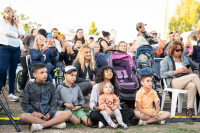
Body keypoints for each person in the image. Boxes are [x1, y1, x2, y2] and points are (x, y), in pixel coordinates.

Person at [20, 63, 72, 132]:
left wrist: (50, 113)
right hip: (35, 116)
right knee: (23, 116)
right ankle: (53, 124)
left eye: (46, 72)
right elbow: (24, 104)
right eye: (41, 73)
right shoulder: (29, 86)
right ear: (34, 75)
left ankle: (41, 126)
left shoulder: (51, 86)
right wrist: (34, 113)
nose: (45, 74)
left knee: (68, 113)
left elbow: (54, 104)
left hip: (49, 115)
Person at [161, 41, 200, 118]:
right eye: (177, 50)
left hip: (185, 79)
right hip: (174, 80)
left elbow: (195, 67)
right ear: (172, 50)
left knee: (193, 85)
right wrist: (176, 71)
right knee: (194, 77)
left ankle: (189, 110)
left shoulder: (185, 58)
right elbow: (163, 74)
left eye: (181, 50)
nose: (180, 52)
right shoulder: (167, 59)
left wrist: (193, 72)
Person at [0, 7, 25, 101]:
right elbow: (5, 32)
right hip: (4, 48)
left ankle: (11, 93)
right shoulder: (1, 21)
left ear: (12, 13)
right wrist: (17, 35)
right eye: (5, 11)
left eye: (9, 11)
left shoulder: (15, 23)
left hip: (16, 48)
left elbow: (22, 33)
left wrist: (18, 23)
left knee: (12, 71)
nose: (7, 12)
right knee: (2, 70)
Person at [19, 28, 38, 96]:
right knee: (26, 70)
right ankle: (21, 89)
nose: (38, 32)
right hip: (24, 56)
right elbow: (21, 43)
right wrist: (24, 49)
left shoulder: (39, 38)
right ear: (33, 32)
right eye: (36, 31)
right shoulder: (29, 36)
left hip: (33, 57)